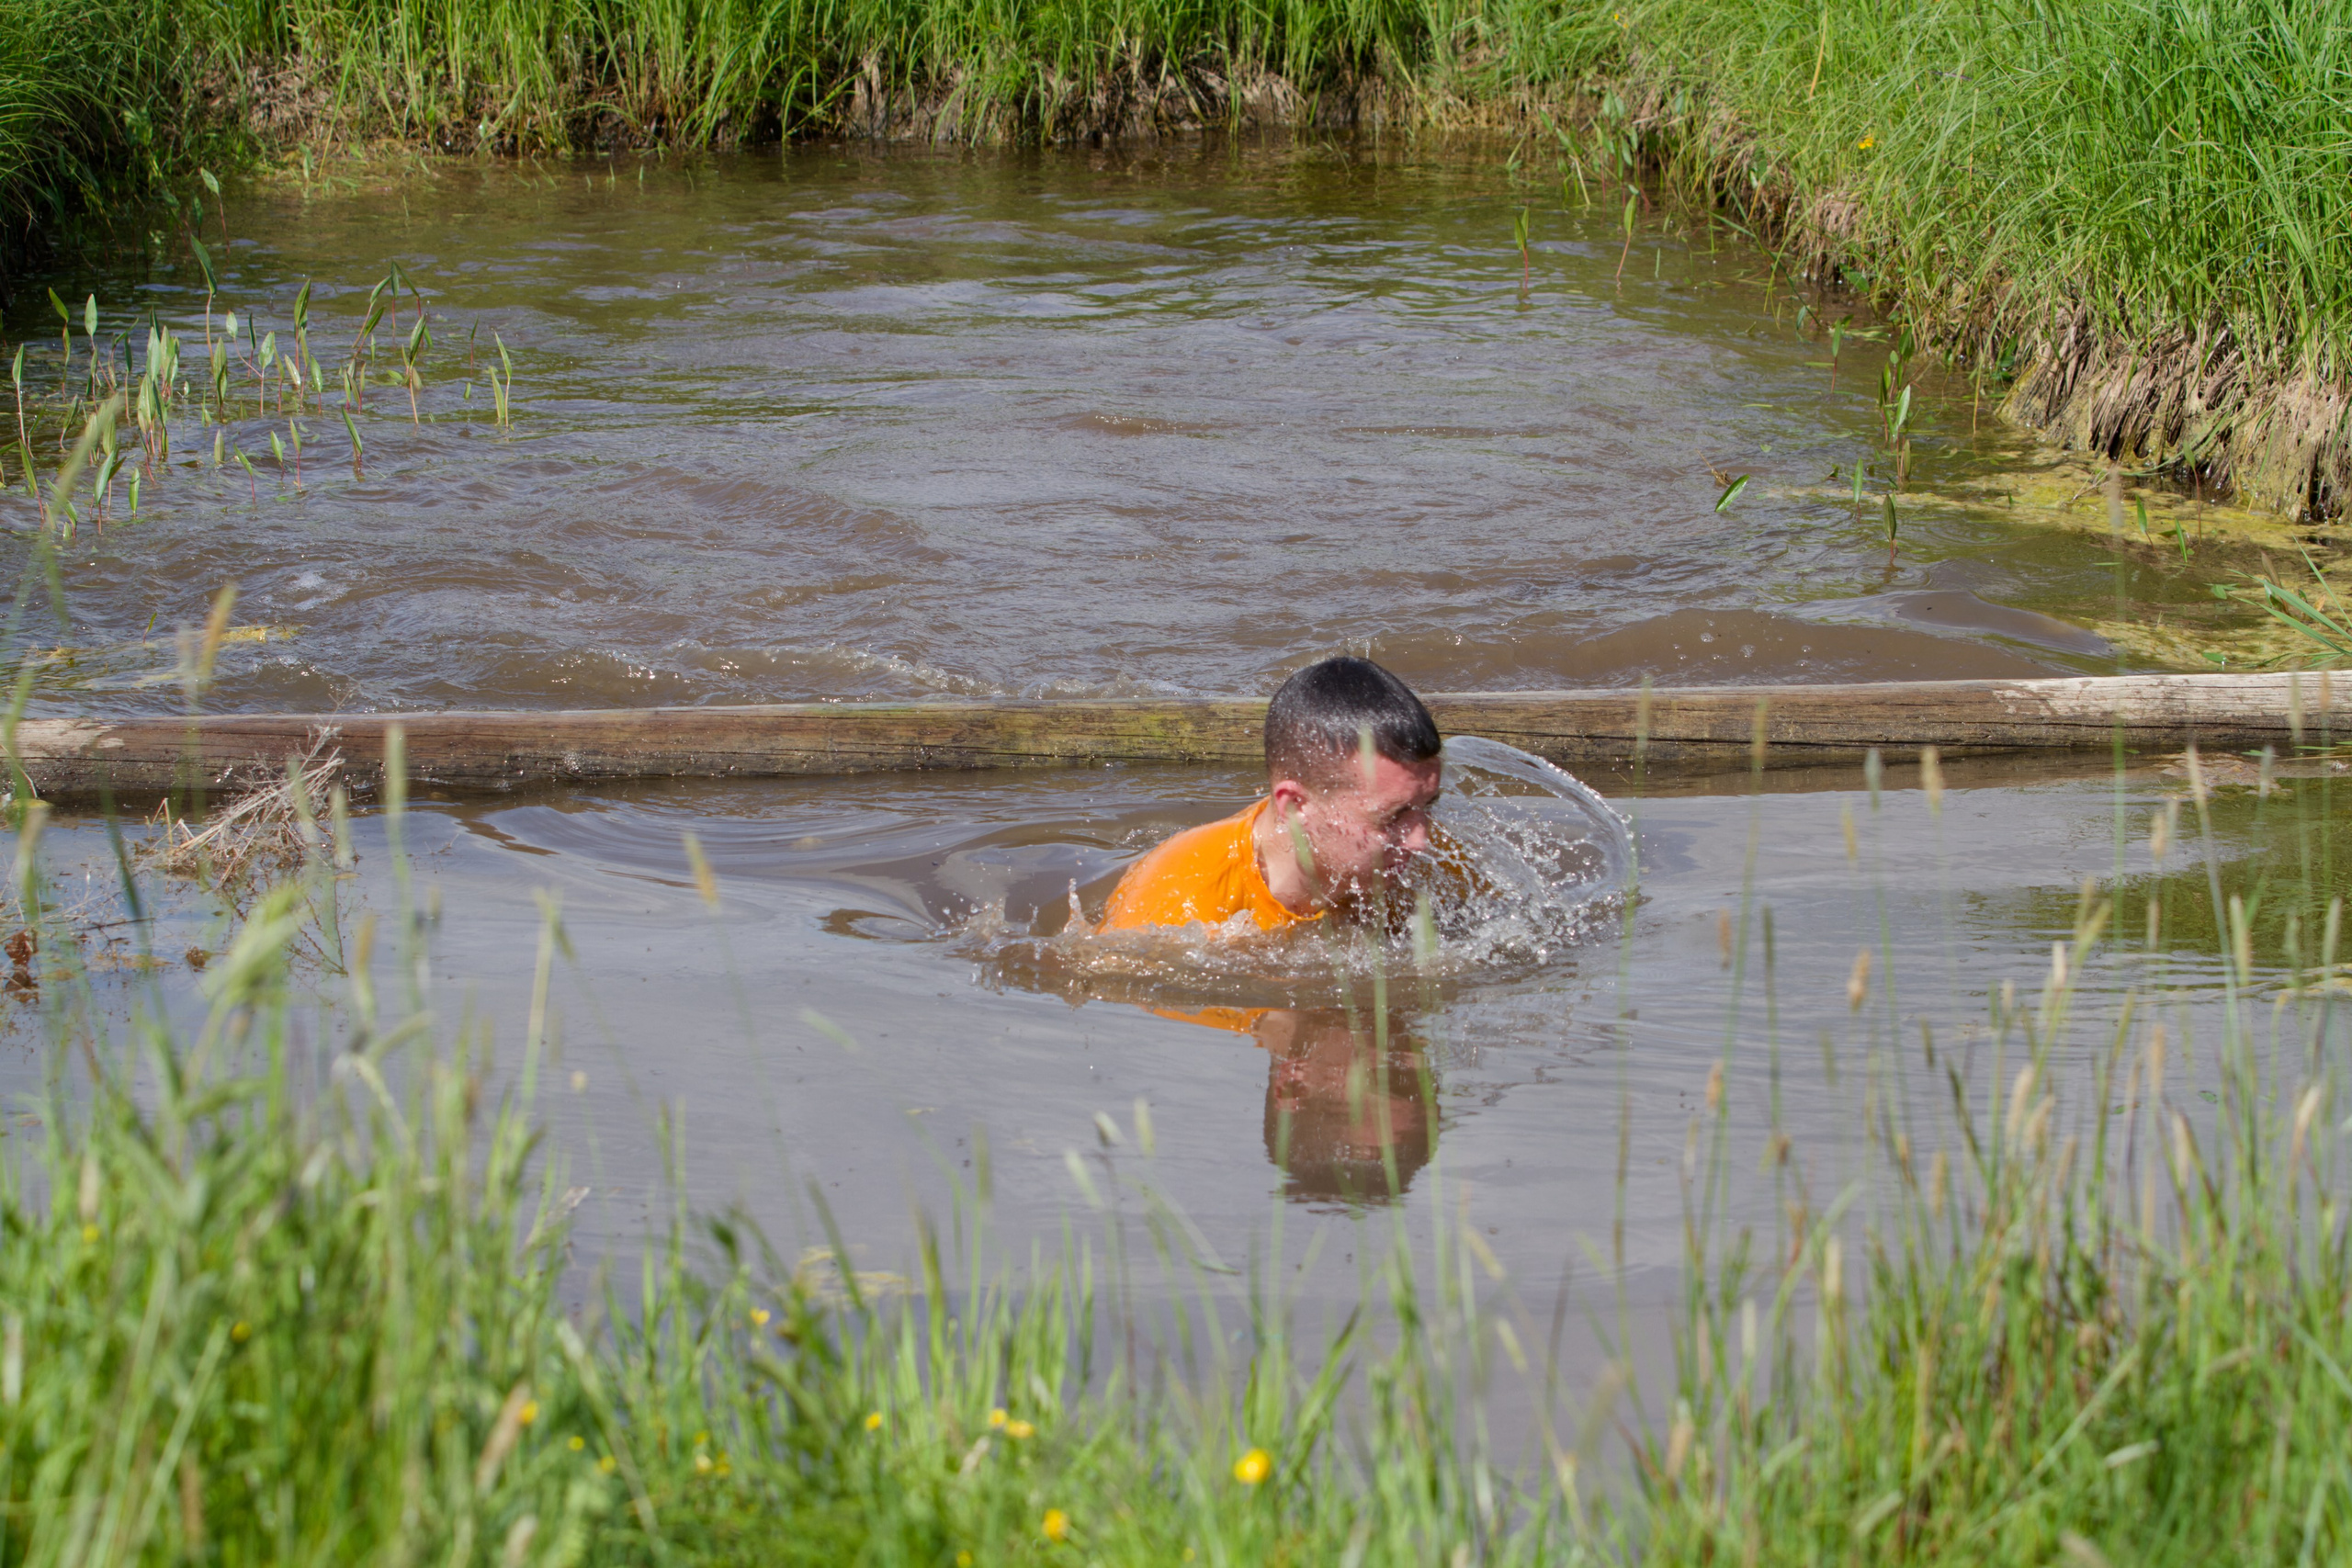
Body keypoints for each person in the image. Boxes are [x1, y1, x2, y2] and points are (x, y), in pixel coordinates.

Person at [1096, 656, 1443, 933]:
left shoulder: (1432, 863)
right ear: (1296, 806)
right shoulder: (1177, 906)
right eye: (1392, 817)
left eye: (1427, 807)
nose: (1421, 841)